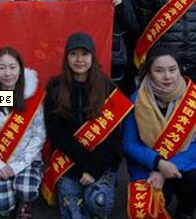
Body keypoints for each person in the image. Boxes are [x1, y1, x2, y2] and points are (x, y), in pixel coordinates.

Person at [43, 33, 131, 219]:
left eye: (84, 54)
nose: (79, 59)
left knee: (98, 202)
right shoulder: (52, 88)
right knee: (73, 212)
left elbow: (114, 138)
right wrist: (83, 164)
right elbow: (56, 133)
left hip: (101, 162)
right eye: (73, 54)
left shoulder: (109, 89)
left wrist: (92, 168)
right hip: (69, 161)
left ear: (93, 56)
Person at [122, 48, 196, 219]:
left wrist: (165, 168)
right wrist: (158, 163)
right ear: (148, 72)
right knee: (151, 205)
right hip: (147, 164)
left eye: (172, 69)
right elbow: (129, 143)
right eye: (159, 70)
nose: (167, 76)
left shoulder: (195, 99)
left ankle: (185, 212)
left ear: (179, 70)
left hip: (184, 161)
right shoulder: (136, 99)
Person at [0, 47, 46, 218]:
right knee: (1, 205)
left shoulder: (32, 96)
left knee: (27, 190)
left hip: (27, 160)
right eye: (1, 68)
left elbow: (39, 135)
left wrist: (17, 166)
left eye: (12, 67)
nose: (7, 73)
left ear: (20, 69)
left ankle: (23, 203)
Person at [69, 0, 139, 95]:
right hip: (83, 60)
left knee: (113, 99)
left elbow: (133, 29)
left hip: (114, 59)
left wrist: (120, 9)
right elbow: (68, 28)